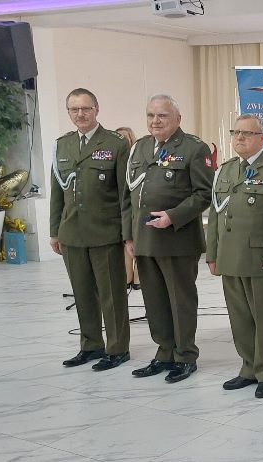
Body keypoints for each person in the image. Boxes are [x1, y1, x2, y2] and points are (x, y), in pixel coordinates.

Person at [125, 94, 213, 383]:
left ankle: (185, 355)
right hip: (144, 239)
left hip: (178, 240)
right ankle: (164, 352)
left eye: (162, 115)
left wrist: (173, 216)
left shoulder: (193, 148)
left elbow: (204, 194)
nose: (155, 121)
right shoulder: (139, 148)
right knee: (154, 301)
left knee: (180, 301)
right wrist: (129, 236)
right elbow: (128, 196)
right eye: (151, 115)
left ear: (178, 118)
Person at [206, 114, 263, 398]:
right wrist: (212, 253)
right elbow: (216, 216)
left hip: (261, 259)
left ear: (262, 139)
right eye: (236, 132)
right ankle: (248, 368)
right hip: (230, 257)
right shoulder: (225, 170)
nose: (239, 137)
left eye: (247, 133)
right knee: (239, 318)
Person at [50, 89, 132, 370]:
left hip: (105, 232)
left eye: (85, 108)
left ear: (97, 109)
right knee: (82, 293)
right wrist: (54, 231)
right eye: (74, 109)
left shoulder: (115, 144)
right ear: (68, 112)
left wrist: (126, 234)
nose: (80, 114)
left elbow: (125, 194)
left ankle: (118, 348)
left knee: (112, 295)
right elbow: (57, 193)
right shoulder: (62, 145)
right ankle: (91, 345)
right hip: (72, 232)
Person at [116, 126, 142, 290]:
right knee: (125, 244)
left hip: (137, 207)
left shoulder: (138, 156)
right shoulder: (114, 158)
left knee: (138, 242)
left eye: (125, 137)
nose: (122, 140)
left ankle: (138, 278)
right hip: (120, 208)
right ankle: (127, 277)